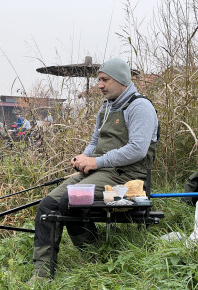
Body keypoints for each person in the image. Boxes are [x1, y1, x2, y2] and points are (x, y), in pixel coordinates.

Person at [31, 58, 159, 281]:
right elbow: (95, 141)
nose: (100, 85)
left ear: (121, 80)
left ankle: (95, 256)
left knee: (70, 200)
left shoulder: (140, 107)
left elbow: (137, 150)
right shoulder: (107, 107)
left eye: (104, 79)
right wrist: (84, 157)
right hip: (101, 170)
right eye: (99, 79)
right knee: (47, 205)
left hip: (128, 177)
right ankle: (41, 276)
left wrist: (96, 163)